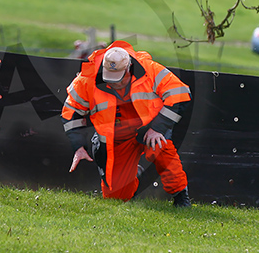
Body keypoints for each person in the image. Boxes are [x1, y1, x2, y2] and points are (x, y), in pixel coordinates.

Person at [62, 41, 192, 207]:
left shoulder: (150, 69)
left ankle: (180, 196)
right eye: (110, 78)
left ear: (129, 68)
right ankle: (134, 176)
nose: (114, 83)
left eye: (119, 79)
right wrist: (78, 146)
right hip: (117, 137)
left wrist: (157, 128)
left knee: (161, 148)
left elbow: (180, 94)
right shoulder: (87, 78)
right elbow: (71, 111)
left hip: (150, 130)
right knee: (116, 197)